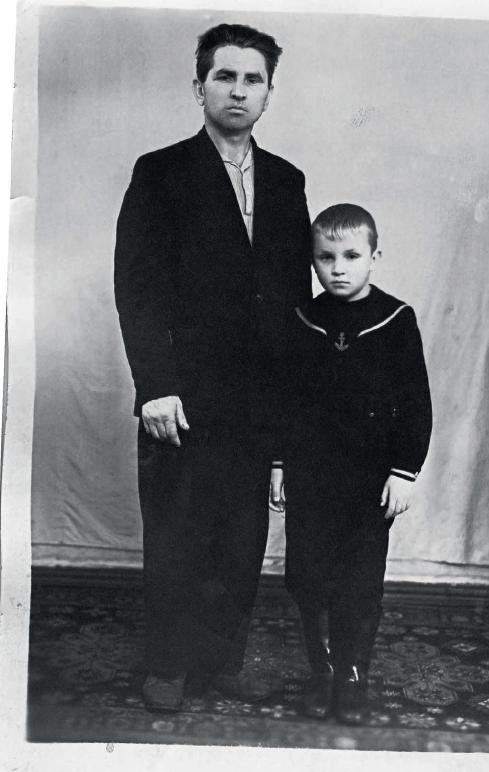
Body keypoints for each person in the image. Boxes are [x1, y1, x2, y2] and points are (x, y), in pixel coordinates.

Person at [114, 23, 312, 712]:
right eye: (225, 76)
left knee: (241, 537)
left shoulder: (287, 181)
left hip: (259, 399)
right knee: (178, 533)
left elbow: (295, 300)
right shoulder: (160, 172)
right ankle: (168, 665)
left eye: (253, 79)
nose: (238, 90)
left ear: (269, 93)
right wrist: (156, 387)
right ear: (199, 87)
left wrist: (292, 411)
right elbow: (137, 286)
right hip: (183, 395)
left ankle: (224, 657)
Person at [270, 204, 432, 725]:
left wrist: (404, 471)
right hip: (311, 474)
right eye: (326, 257)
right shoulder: (302, 318)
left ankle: (352, 677)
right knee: (308, 576)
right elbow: (285, 400)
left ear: (374, 257)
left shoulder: (396, 319)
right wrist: (279, 463)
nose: (338, 268)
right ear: (313, 260)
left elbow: (416, 403)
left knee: (359, 580)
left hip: (369, 481)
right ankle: (321, 673)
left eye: (351, 256)